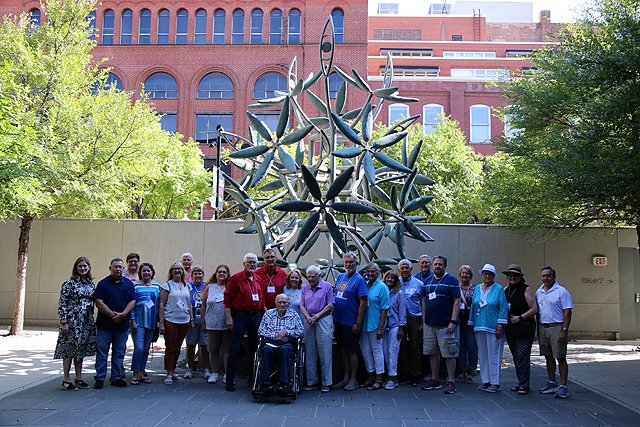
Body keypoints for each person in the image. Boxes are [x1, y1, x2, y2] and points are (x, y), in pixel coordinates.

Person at [54, 256, 97, 390]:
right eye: (80, 266)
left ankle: (78, 378)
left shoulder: (90, 283)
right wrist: (64, 322)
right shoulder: (69, 283)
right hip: (72, 321)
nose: (83, 268)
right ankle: (66, 380)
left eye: (85, 266)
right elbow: (62, 303)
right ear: (76, 268)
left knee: (81, 350)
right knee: (69, 350)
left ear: (89, 267)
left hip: (86, 322)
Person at [224, 253, 265, 391]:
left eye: (254, 262)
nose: (252, 264)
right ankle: (230, 380)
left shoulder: (258, 278)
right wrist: (229, 317)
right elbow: (228, 298)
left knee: (254, 349)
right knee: (235, 348)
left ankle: (252, 380)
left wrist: (264, 312)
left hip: (255, 317)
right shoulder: (236, 278)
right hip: (240, 316)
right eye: (249, 262)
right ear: (244, 264)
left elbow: (261, 297)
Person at [93, 258, 136, 389]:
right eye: (115, 267)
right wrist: (113, 315)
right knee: (102, 352)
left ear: (123, 269)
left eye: (120, 267)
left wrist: (123, 315)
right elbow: (99, 302)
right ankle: (100, 378)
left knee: (119, 352)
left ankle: (116, 377)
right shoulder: (103, 284)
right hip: (104, 325)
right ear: (110, 268)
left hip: (122, 325)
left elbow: (132, 301)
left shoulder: (128, 284)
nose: (118, 269)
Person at [421, 255, 461, 394]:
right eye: (436, 264)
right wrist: (424, 318)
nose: (437, 266)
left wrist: (453, 321)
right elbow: (424, 299)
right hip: (430, 324)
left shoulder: (452, 280)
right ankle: (435, 379)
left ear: (445, 266)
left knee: (449, 353)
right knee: (432, 352)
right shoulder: (428, 280)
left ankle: (451, 381)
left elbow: (457, 300)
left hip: (446, 324)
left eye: (440, 264)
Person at [468, 264, 508, 393]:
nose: (487, 276)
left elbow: (503, 307)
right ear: (482, 275)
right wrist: (471, 323)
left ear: (493, 276)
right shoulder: (478, 289)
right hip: (479, 326)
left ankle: (495, 382)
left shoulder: (498, 289)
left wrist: (500, 325)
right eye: (485, 273)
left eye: (490, 274)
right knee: (483, 355)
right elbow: (473, 306)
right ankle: (485, 380)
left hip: (493, 327)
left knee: (494, 354)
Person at [256, 294, 305, 397]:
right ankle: (265, 385)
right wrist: (275, 335)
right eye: (280, 302)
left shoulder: (294, 315)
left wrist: (287, 332)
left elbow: (301, 331)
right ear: (275, 303)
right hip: (271, 342)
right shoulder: (269, 314)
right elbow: (260, 330)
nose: (282, 305)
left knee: (284, 350)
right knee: (265, 350)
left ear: (288, 304)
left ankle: (284, 385)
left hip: (288, 343)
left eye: (284, 302)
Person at [536, 266, 573, 399]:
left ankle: (563, 386)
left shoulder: (562, 291)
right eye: (543, 276)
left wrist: (564, 330)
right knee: (548, 356)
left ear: (554, 276)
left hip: (557, 327)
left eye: (548, 276)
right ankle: (551, 382)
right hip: (543, 327)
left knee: (560, 357)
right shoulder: (538, 292)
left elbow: (567, 311)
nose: (546, 278)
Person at [333, 252, 367, 391]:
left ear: (356, 263)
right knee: (342, 349)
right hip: (339, 320)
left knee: (351, 350)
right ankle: (345, 378)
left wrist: (358, 323)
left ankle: (353, 380)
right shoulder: (341, 277)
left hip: (351, 322)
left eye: (351, 262)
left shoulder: (360, 280)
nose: (348, 265)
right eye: (346, 262)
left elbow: (363, 302)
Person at [503, 264, 538, 395]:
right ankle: (521, 382)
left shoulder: (526, 289)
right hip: (511, 330)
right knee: (516, 357)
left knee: (522, 356)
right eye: (510, 275)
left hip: (524, 328)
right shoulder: (506, 290)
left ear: (520, 277)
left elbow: (534, 308)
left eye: (515, 275)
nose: (512, 277)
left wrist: (520, 318)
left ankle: (524, 384)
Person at [300, 265, 335, 393]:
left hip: (323, 319)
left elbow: (330, 304)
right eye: (308, 277)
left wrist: (317, 316)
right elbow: (302, 305)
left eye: (313, 277)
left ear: (319, 276)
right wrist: (309, 317)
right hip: (309, 320)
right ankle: (311, 382)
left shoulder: (327, 286)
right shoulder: (305, 288)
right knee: (310, 352)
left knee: (325, 352)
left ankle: (326, 382)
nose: (310, 279)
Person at [159, 261, 194, 385]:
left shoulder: (187, 286)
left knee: (178, 348)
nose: (177, 271)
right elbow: (162, 304)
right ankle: (168, 373)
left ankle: (173, 372)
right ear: (171, 271)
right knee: (170, 347)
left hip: (184, 321)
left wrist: (191, 319)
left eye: (179, 269)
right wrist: (161, 323)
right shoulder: (167, 286)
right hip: (170, 320)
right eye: (175, 269)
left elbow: (189, 304)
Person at [359, 263, 389, 391]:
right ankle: (370, 376)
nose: (370, 274)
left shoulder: (382, 287)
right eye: (368, 271)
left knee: (377, 351)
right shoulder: (365, 284)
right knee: (365, 351)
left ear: (378, 273)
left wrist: (381, 328)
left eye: (373, 271)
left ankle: (379, 379)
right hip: (364, 324)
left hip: (375, 325)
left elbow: (385, 308)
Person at [130, 262, 160, 385]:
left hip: (152, 322)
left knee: (146, 349)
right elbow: (131, 304)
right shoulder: (135, 286)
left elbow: (159, 305)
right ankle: (135, 373)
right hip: (139, 322)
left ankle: (142, 372)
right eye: (144, 271)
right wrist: (132, 320)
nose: (146, 273)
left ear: (152, 272)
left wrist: (159, 322)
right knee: (139, 348)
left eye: (148, 270)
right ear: (140, 273)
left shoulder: (157, 286)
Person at [201, 264, 232, 384]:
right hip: (212, 324)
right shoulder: (210, 287)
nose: (222, 274)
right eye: (219, 272)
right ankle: (214, 372)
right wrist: (203, 321)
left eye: (224, 272)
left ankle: (226, 373)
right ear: (216, 273)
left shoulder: (230, 287)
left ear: (228, 274)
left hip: (227, 324)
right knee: (213, 349)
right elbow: (203, 305)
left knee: (227, 350)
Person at [398, 259, 425, 386]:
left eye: (406, 268)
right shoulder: (395, 282)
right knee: (401, 346)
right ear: (399, 270)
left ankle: (416, 374)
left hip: (415, 319)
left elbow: (423, 302)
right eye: (402, 268)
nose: (404, 270)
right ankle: (405, 373)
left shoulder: (419, 284)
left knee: (415, 347)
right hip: (400, 320)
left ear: (411, 269)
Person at [184, 265, 210, 380]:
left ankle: (206, 369)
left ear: (203, 276)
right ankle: (190, 368)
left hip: (204, 320)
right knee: (190, 345)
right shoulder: (187, 287)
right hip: (192, 320)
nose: (198, 275)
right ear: (192, 275)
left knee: (204, 345)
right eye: (196, 273)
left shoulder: (207, 287)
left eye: (200, 273)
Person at [382, 270, 405, 390]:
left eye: (392, 278)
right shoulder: (383, 291)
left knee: (393, 352)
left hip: (395, 326)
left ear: (396, 280)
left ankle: (393, 378)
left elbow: (402, 311)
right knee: (385, 352)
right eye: (388, 277)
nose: (389, 280)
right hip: (383, 327)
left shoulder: (399, 293)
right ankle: (389, 375)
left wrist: (401, 327)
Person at [457, 265, 477, 384]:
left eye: (467, 273)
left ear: (471, 275)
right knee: (461, 348)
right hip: (459, 323)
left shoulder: (476, 289)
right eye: (463, 273)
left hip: (471, 323)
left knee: (472, 348)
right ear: (460, 275)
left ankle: (471, 372)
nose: (465, 275)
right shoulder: (456, 288)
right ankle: (462, 371)